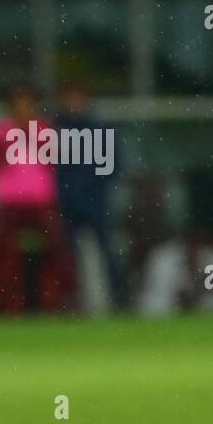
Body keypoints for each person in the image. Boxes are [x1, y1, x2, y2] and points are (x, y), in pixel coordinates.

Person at [0, 85, 72, 313]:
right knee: (4, 256)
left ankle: (52, 301)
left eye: (27, 103)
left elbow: (53, 157)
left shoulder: (43, 129)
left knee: (53, 254)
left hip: (40, 199)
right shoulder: (2, 130)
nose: (23, 108)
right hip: (10, 201)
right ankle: (4, 302)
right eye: (18, 103)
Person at [53, 82, 127, 309]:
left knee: (106, 250)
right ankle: (69, 298)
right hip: (65, 201)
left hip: (95, 200)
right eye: (70, 99)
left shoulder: (99, 129)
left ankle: (120, 295)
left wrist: (97, 186)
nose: (74, 104)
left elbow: (113, 163)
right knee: (66, 254)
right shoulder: (55, 129)